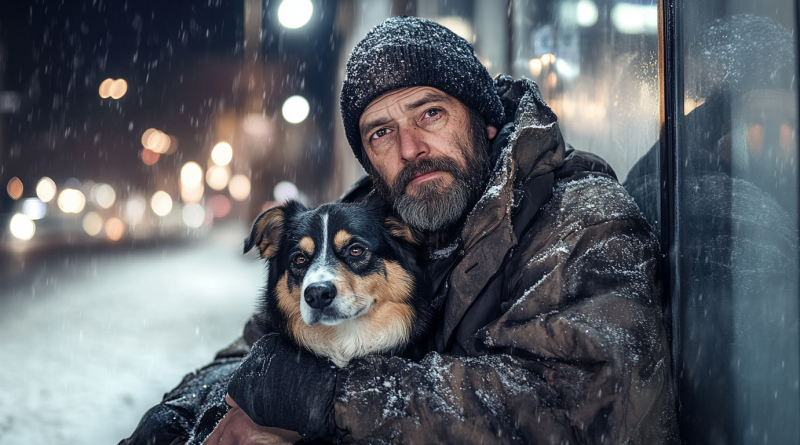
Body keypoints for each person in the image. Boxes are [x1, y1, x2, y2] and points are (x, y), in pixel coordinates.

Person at [121, 16, 679, 445]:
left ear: (484, 120)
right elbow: (257, 350)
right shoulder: (371, 219)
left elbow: (577, 406)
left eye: (430, 113)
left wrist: (329, 399)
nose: (410, 149)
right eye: (382, 132)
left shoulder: (580, 218)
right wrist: (188, 411)